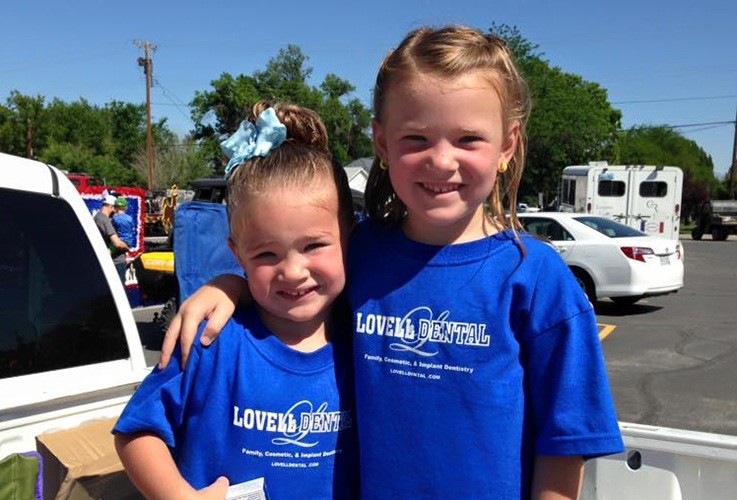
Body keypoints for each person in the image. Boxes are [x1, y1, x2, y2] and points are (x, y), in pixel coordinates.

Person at [160, 26, 624, 499]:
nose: (442, 161)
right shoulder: (357, 254)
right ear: (381, 142)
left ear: (507, 144)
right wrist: (229, 285)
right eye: (417, 138)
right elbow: (290, 276)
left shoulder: (539, 280)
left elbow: (565, 445)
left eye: (468, 139)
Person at [113, 102, 359, 499]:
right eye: (266, 254)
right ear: (237, 252)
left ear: (349, 234)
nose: (292, 271)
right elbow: (137, 431)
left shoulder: (366, 344)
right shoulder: (210, 338)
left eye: (313, 245)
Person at [93, 193, 129, 283]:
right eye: (115, 208)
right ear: (111, 206)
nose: (116, 212)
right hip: (116, 262)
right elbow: (117, 243)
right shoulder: (104, 219)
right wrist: (127, 247)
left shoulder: (97, 217)